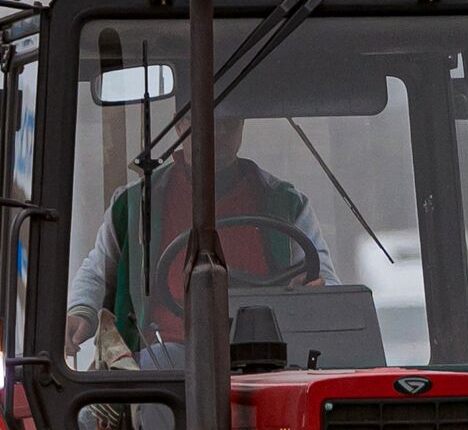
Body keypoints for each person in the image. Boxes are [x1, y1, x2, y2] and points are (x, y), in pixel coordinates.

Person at [66, 115, 339, 357]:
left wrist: (316, 291)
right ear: (180, 125)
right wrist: (82, 311)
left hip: (267, 353)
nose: (218, 133)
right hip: (167, 357)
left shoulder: (286, 203)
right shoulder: (136, 204)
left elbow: (323, 281)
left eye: (229, 123)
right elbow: (99, 271)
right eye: (206, 121)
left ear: (243, 124)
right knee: (154, 373)